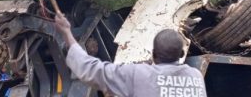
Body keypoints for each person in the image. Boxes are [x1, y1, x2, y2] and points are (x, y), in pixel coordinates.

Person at [54, 14, 207, 97]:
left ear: (153, 54)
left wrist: (67, 33)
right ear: (181, 54)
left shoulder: (139, 74)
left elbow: (92, 70)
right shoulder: (195, 77)